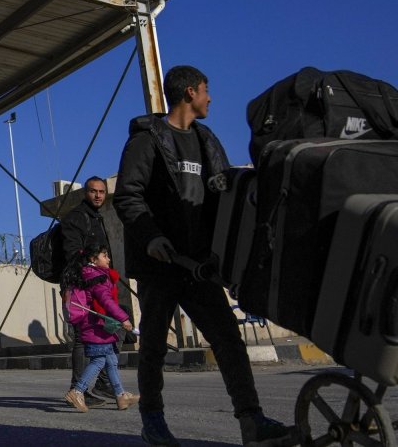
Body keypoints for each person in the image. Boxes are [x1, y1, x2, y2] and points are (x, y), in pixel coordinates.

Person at [113, 65, 291, 446]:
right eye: (207, 91)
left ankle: (251, 420)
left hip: (199, 266)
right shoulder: (147, 140)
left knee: (228, 339)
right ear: (190, 92)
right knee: (155, 347)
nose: (211, 98)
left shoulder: (207, 139)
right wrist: (151, 237)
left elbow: (224, 199)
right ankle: (153, 420)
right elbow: (128, 195)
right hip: (161, 264)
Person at [61, 244, 139, 413]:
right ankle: (77, 391)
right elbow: (106, 301)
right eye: (104, 255)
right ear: (93, 259)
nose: (108, 259)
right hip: (95, 326)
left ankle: (120, 395)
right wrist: (123, 318)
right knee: (99, 360)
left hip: (93, 325)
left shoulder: (88, 274)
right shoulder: (96, 277)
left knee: (110, 360)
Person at [60, 176, 117, 407]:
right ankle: (79, 390)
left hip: (97, 285)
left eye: (102, 192)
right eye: (94, 191)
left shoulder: (97, 218)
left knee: (111, 329)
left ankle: (101, 383)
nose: (98, 196)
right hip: (81, 287)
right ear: (86, 193)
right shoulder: (76, 218)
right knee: (84, 339)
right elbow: (73, 254)